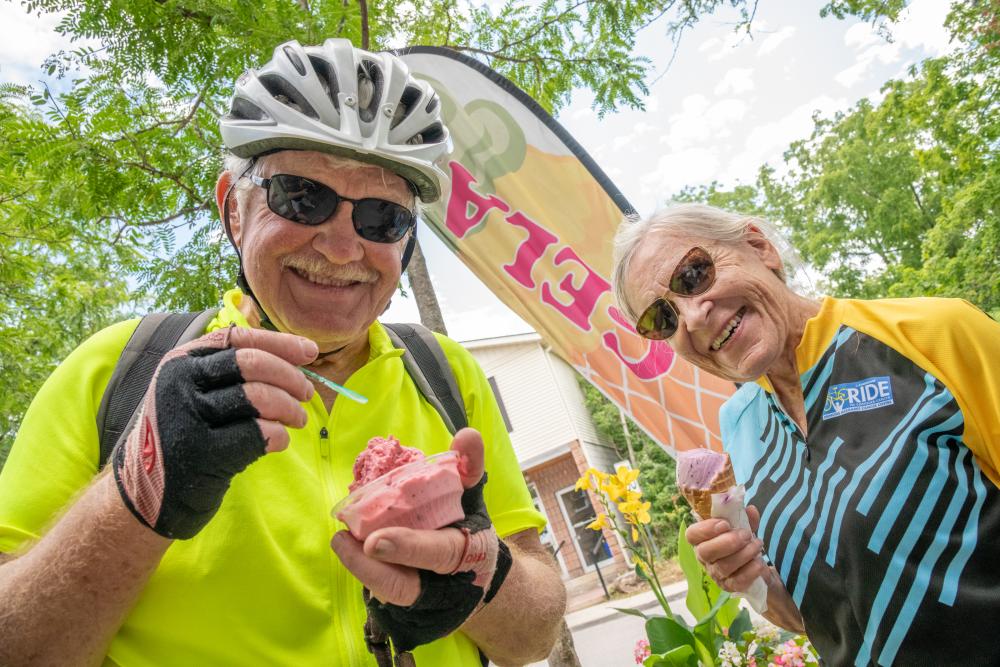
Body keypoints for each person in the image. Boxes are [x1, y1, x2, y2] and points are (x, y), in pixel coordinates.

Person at [0, 39, 565, 666]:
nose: (342, 247)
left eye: (382, 218)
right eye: (302, 197)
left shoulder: (444, 373)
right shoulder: (116, 372)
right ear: (232, 211)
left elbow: (534, 637)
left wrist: (481, 577)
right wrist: (136, 494)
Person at [611, 203, 1000, 665]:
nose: (692, 318)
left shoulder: (932, 335)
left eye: (693, 275)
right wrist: (752, 580)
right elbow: (819, 614)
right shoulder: (739, 424)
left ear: (760, 247)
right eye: (664, 319)